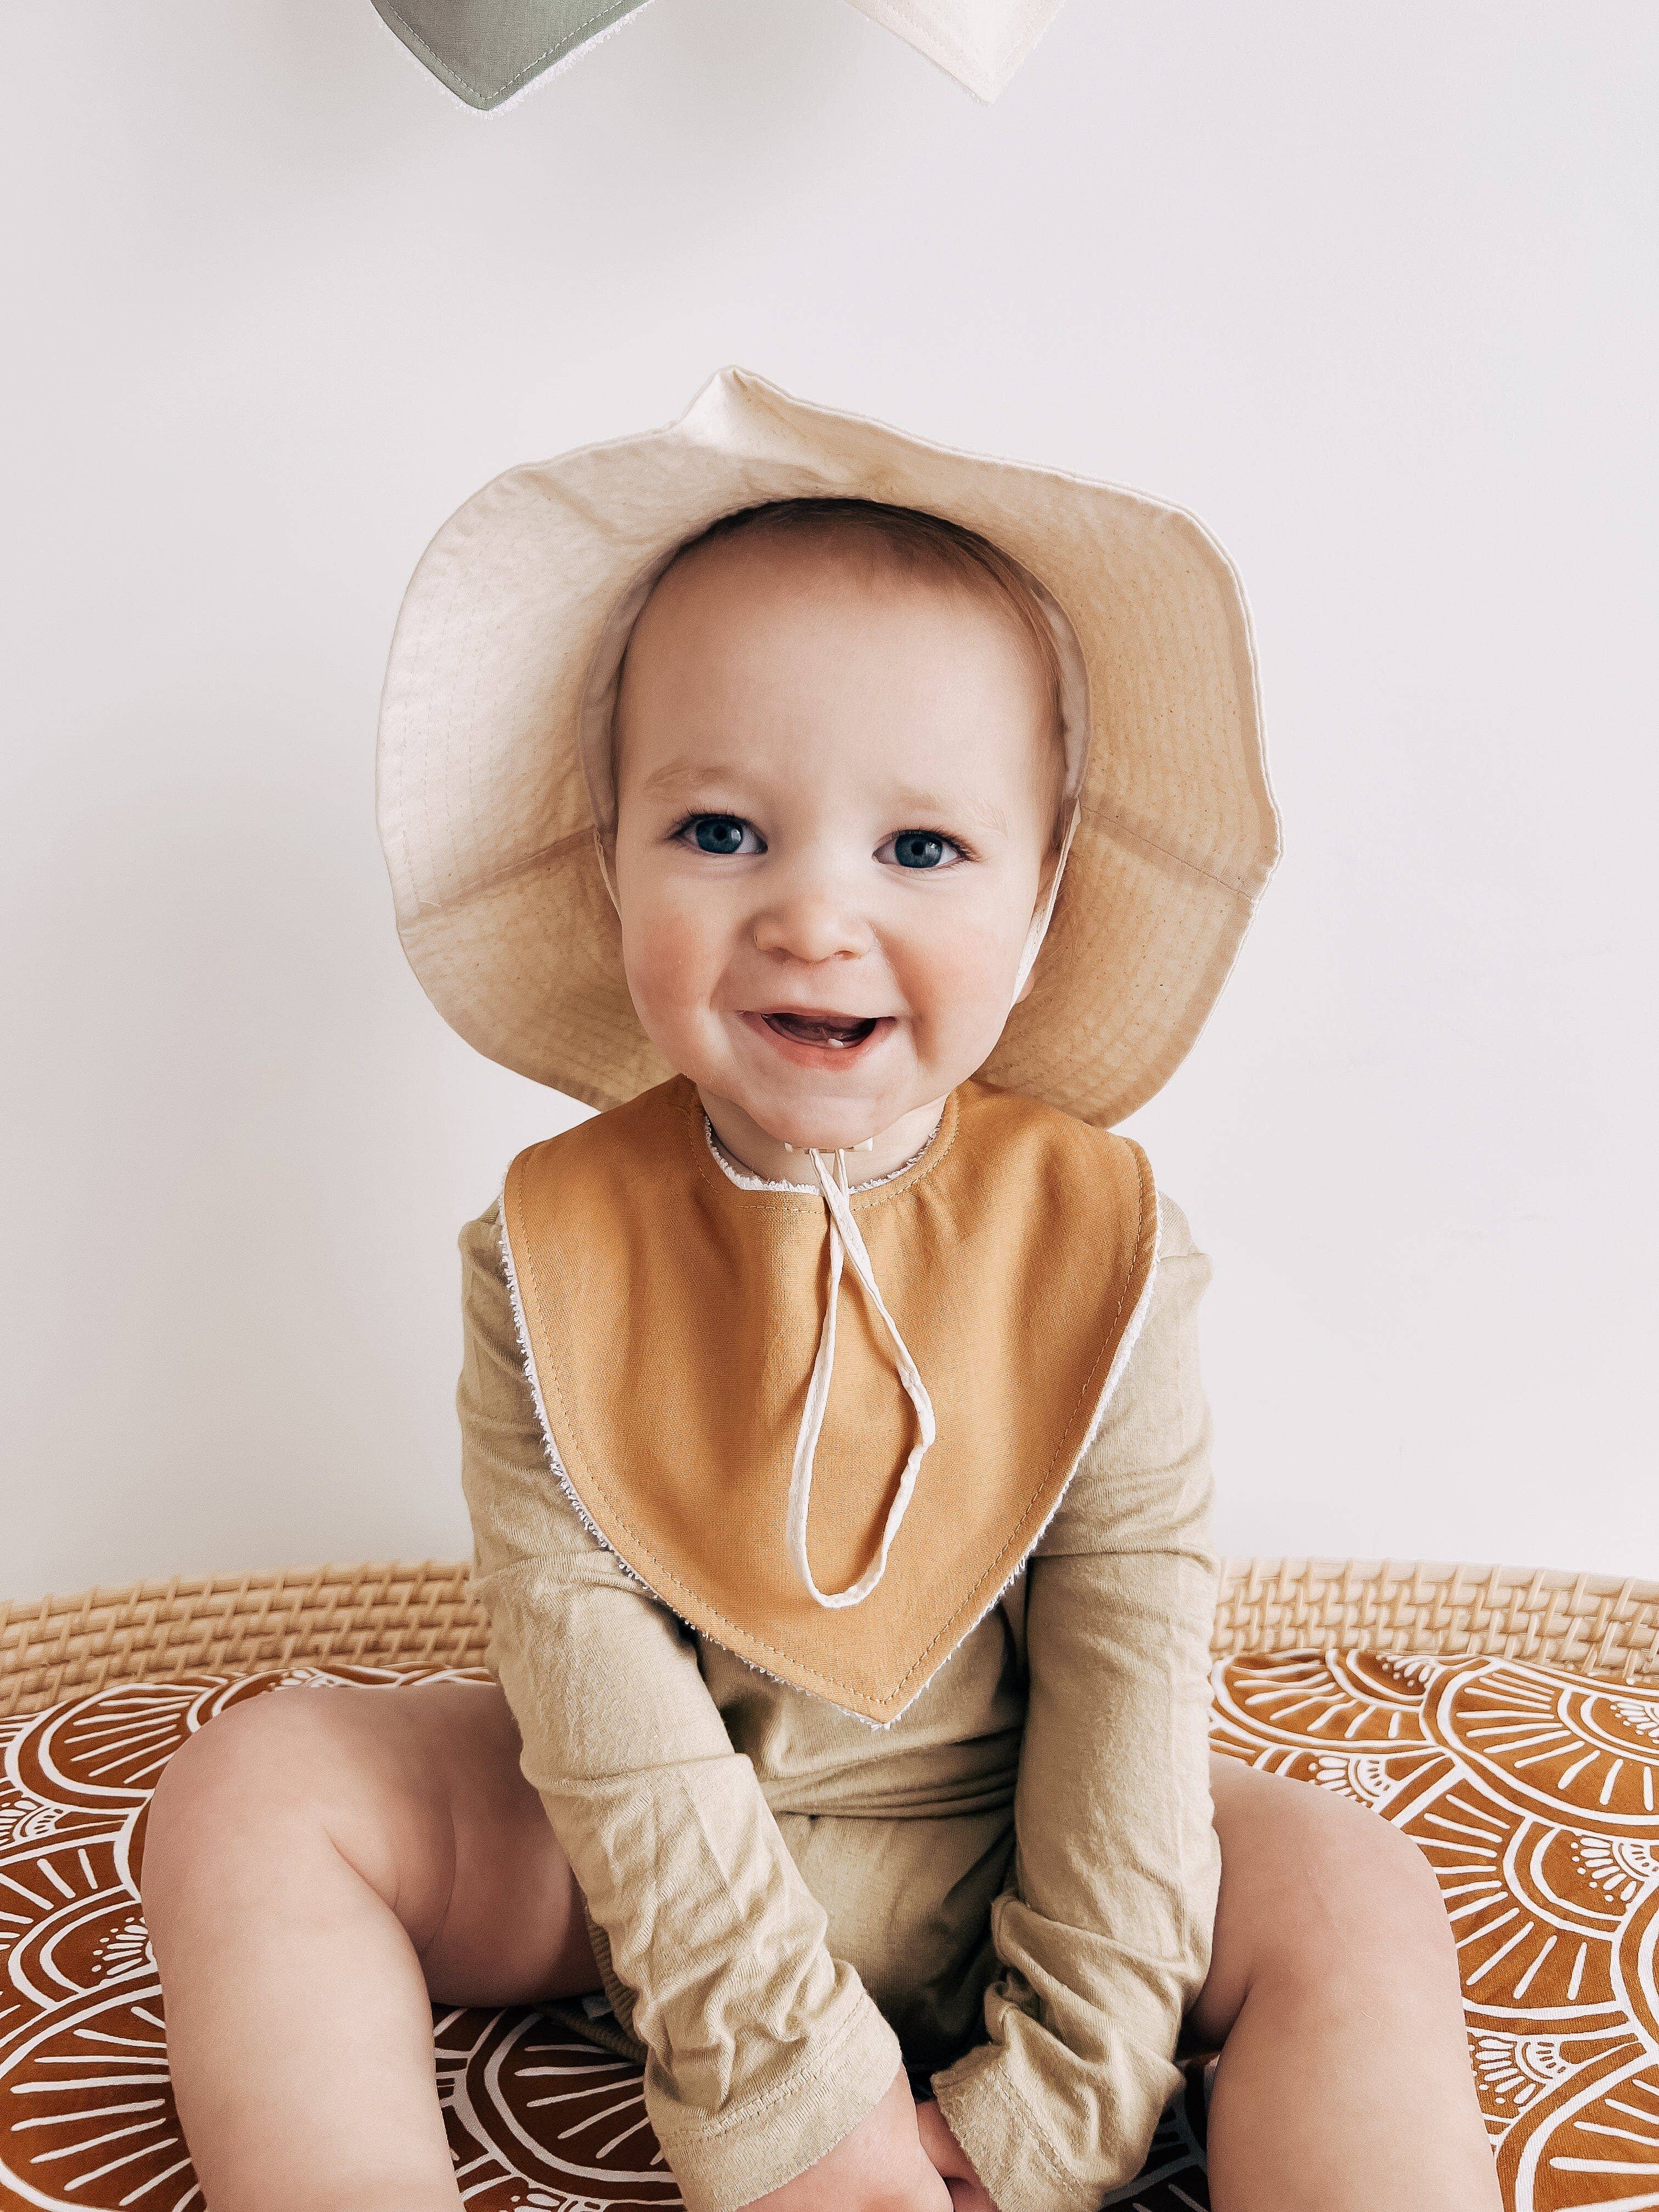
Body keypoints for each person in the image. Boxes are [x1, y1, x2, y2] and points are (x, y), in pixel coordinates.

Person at [140, 370, 1501, 2212]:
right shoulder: (546, 1254)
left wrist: (1054, 2109)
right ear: (607, 864)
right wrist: (786, 2087)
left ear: (1039, 912)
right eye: (719, 833)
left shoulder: (1103, 1242)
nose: (813, 913)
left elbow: (1128, 1656)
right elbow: (589, 1685)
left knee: (1346, 1877)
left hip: (1011, 1831)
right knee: (249, 1794)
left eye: (921, 848)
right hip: (645, 1862)